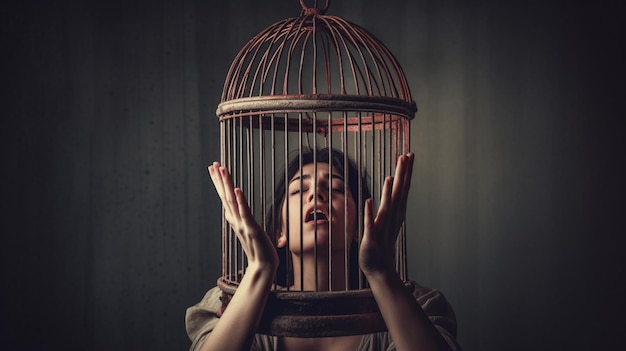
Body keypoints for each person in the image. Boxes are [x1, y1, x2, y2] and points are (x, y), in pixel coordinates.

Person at [185, 148, 461, 351]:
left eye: (336, 189)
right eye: (297, 191)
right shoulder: (229, 302)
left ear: (358, 228)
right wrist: (259, 269)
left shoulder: (418, 305)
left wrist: (381, 271)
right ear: (279, 231)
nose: (316, 195)